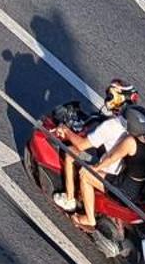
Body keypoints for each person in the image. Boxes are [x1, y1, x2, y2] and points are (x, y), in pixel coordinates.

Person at [53, 80, 137, 213]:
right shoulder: (136, 124)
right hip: (124, 171)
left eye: (109, 96)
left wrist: (66, 130)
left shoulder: (110, 126)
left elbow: (81, 145)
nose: (107, 99)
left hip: (108, 171)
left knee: (70, 153)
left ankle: (69, 200)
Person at [76, 101, 145, 233]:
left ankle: (89, 219)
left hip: (127, 190)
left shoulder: (130, 142)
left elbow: (110, 158)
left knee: (85, 175)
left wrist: (95, 169)